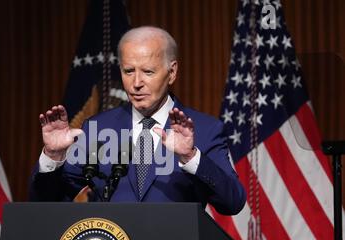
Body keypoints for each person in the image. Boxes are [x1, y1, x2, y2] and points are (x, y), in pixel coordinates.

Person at [29, 26, 246, 215]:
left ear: (172, 73)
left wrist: (190, 157)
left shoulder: (205, 129)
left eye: (148, 72)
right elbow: (47, 202)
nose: (136, 83)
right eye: (128, 71)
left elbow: (233, 202)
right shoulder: (99, 129)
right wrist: (53, 156)